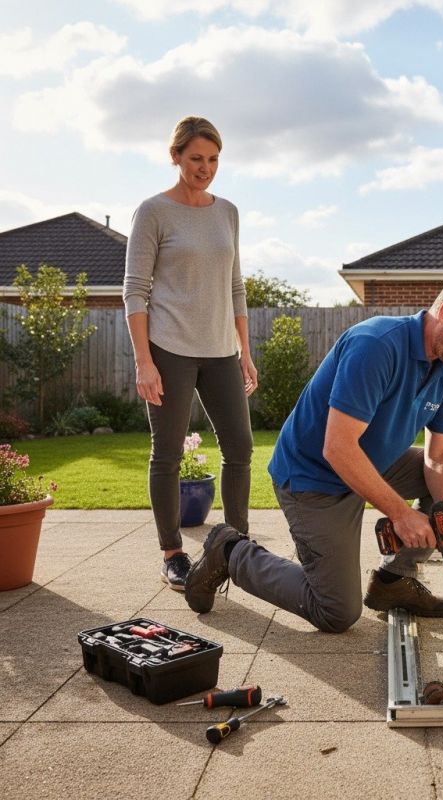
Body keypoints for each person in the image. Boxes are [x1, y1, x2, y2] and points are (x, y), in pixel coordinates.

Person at [185, 274, 443, 632]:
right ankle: (230, 551)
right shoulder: (376, 346)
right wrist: (401, 514)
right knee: (336, 611)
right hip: (314, 477)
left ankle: (394, 581)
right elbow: (337, 448)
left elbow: (440, 454)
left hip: (372, 462)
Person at [123, 116, 257, 591]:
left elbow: (236, 285)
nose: (206, 168)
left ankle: (237, 544)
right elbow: (135, 291)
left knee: (240, 447)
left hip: (221, 350)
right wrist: (144, 361)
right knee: (168, 454)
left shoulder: (228, 212)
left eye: (214, 159)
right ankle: (173, 553)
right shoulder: (153, 211)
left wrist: (245, 350)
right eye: (196, 158)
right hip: (170, 348)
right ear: (175, 156)